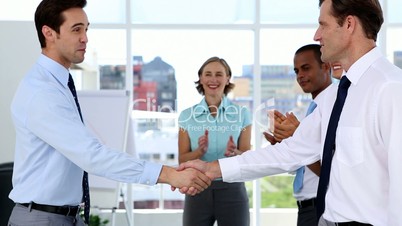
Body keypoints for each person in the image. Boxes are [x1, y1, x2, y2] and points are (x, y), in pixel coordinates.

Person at [178, 0, 402, 225]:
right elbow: (291, 152)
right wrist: (211, 168)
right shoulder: (337, 95)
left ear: (349, 24)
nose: (317, 35)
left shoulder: (390, 88)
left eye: (323, 25)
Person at [8, 0, 210, 225]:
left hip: (62, 217)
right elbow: (91, 156)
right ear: (49, 33)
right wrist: (169, 174)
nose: (85, 38)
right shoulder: (43, 92)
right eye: (76, 30)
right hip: (42, 219)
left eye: (86, 29)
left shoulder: (59, 84)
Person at [178, 57, 252, 226]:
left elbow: (247, 156)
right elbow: (182, 160)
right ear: (201, 79)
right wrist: (199, 152)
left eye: (219, 74)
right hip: (196, 187)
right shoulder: (186, 116)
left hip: (232, 188)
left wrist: (235, 152)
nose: (213, 79)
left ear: (227, 79)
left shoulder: (242, 114)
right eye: (208, 74)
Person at [264, 44, 332, 226]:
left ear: (326, 66)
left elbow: (330, 170)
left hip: (322, 206)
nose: (300, 75)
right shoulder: (311, 110)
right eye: (296, 71)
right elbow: (305, 163)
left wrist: (299, 140)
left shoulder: (334, 108)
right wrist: (285, 144)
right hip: (307, 207)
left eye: (306, 68)